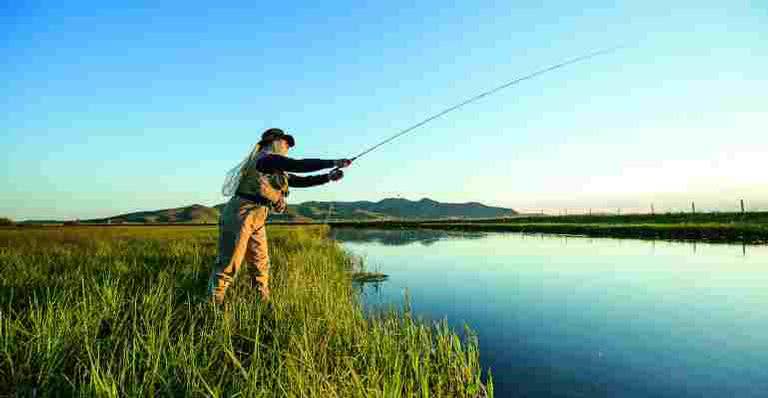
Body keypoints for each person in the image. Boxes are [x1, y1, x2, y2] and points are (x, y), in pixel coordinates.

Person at [208, 128, 351, 304]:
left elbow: (300, 180)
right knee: (229, 263)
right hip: (241, 214)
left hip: (257, 217)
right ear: (273, 141)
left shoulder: (275, 167)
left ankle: (262, 303)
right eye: (285, 143)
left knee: (261, 263)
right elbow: (299, 165)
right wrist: (334, 162)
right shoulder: (265, 158)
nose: (287, 147)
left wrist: (328, 177)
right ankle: (212, 306)